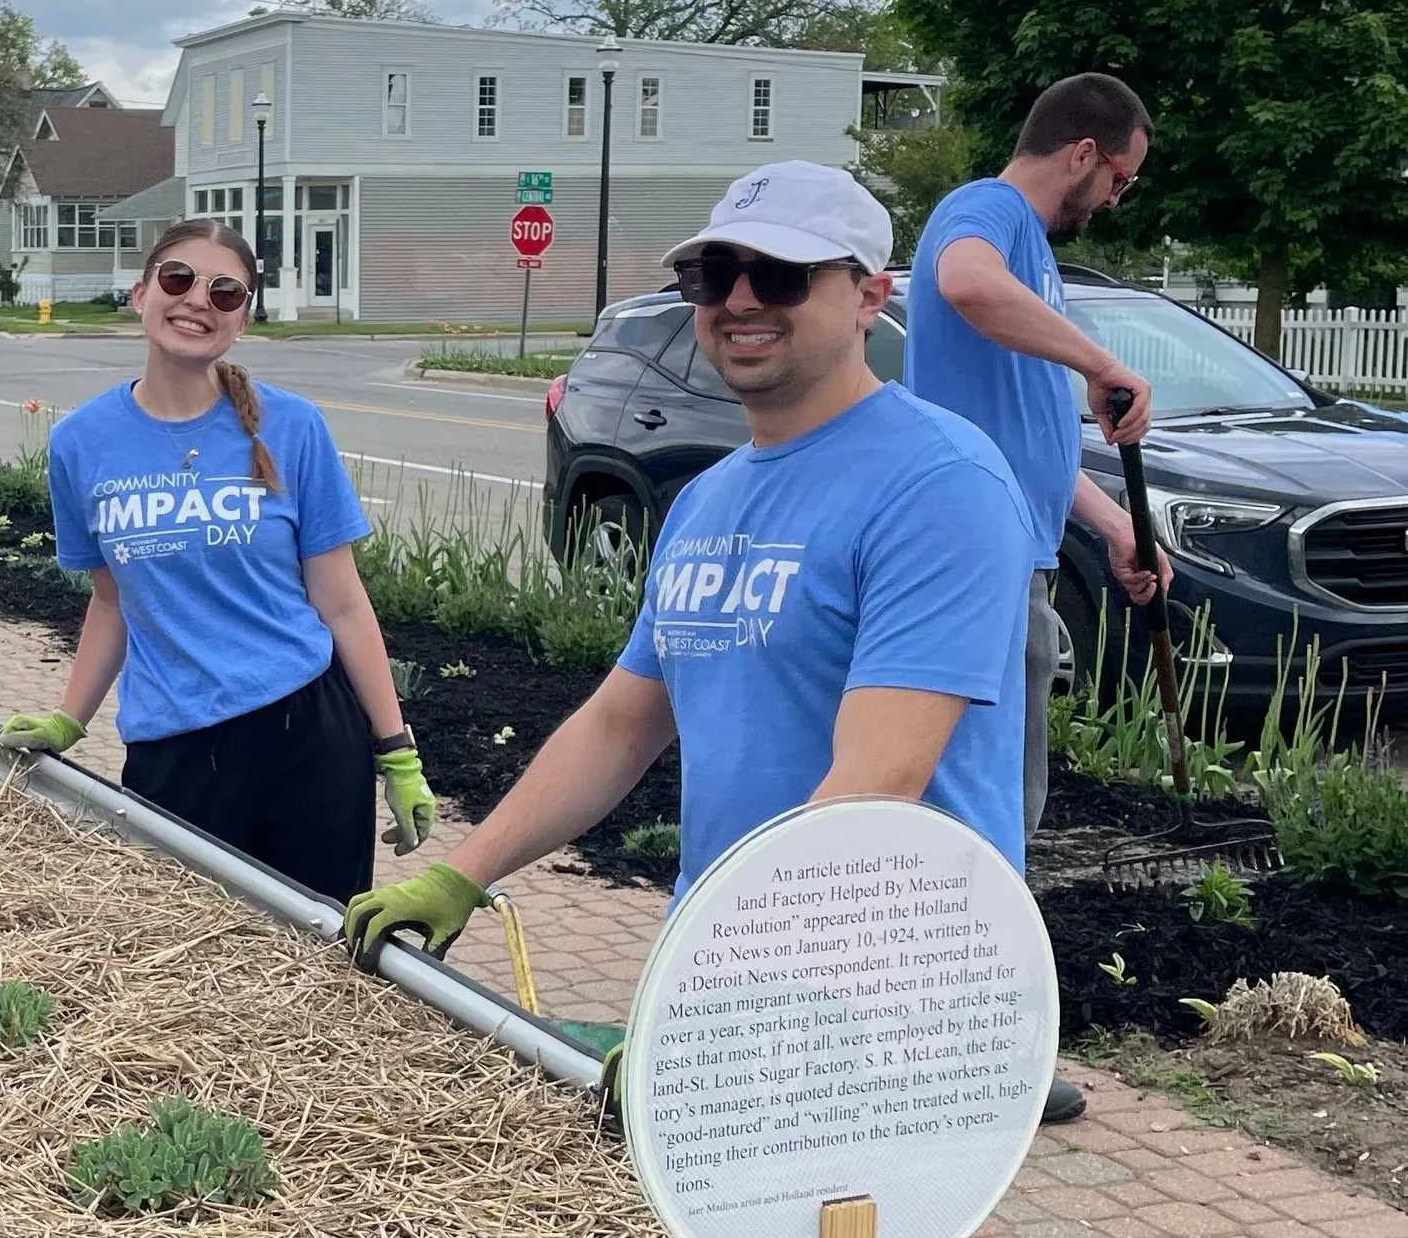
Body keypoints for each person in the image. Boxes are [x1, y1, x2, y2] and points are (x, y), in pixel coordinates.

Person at [346, 162, 1035, 1004]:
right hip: (733, 955)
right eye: (712, 274)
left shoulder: (939, 483)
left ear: (868, 297)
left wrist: (721, 1003)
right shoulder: (710, 498)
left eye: (781, 274)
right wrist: (464, 873)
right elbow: (619, 725)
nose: (740, 300)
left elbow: (876, 781)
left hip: (886, 986)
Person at [0, 218, 434, 904]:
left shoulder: (293, 427)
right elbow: (112, 601)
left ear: (242, 319)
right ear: (140, 294)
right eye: (179, 279)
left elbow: (343, 604)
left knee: (319, 967)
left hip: (306, 737)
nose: (198, 299)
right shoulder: (80, 443)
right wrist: (68, 719)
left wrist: (396, 749)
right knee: (190, 971)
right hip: (174, 753)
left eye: (224, 292)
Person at [907, 71, 1168, 1124]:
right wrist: (1103, 361)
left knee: (995, 814)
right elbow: (964, 283)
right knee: (980, 820)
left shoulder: (1034, 260)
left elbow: (1028, 436)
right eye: (1121, 180)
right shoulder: (986, 216)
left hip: (1009, 564)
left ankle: (969, 1051)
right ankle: (978, 1063)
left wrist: (1115, 530)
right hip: (972, 578)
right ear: (1083, 152)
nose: (1113, 200)